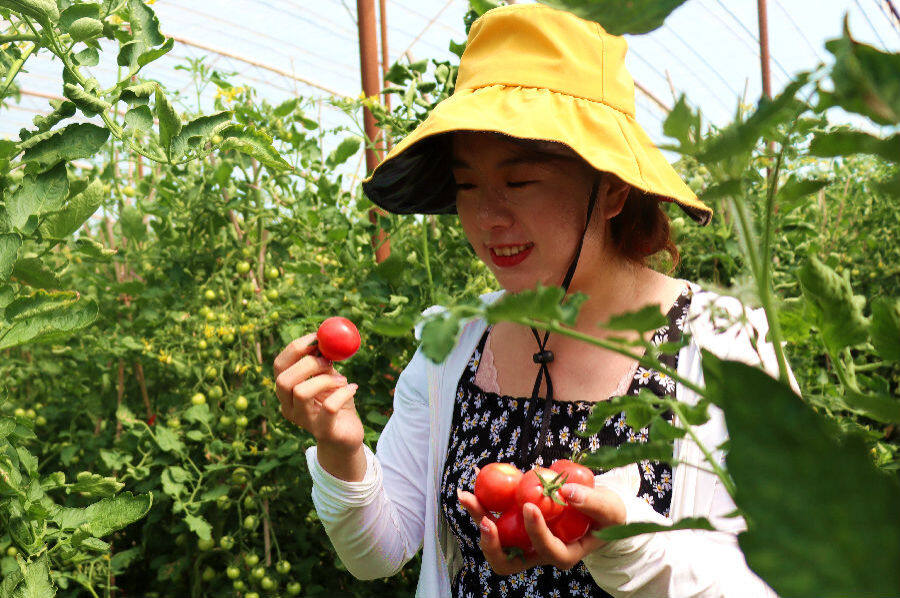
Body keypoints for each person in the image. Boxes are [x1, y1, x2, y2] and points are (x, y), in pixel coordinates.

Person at [273, 4, 798, 597]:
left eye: (520, 181)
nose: (488, 217)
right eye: (467, 185)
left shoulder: (726, 347)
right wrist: (341, 450)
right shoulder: (453, 344)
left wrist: (631, 547)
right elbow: (379, 551)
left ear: (614, 190)